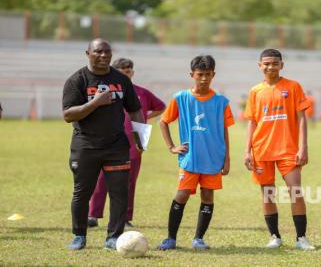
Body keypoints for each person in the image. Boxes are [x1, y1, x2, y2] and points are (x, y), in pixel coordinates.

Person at [62, 38, 144, 250]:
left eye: (107, 52)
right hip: (85, 145)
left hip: (116, 145)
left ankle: (113, 237)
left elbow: (134, 108)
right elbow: (68, 115)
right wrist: (96, 102)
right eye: (98, 52)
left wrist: (140, 135)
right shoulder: (77, 80)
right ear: (87, 53)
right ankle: (79, 235)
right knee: (82, 192)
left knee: (119, 193)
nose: (104, 55)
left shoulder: (121, 80)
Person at [157, 55, 234, 251]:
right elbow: (163, 121)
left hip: (213, 158)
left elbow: (224, 131)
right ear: (192, 74)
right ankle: (170, 239)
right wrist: (172, 147)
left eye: (208, 75)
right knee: (182, 194)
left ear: (213, 75)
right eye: (200, 74)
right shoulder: (180, 98)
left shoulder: (221, 102)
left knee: (207, 196)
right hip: (190, 158)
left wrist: (227, 159)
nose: (203, 79)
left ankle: (198, 238)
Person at [244, 48, 314, 250]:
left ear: (281, 65)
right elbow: (252, 122)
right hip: (261, 149)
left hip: (288, 149)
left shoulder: (293, 87)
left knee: (295, 191)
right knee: (267, 193)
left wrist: (303, 147)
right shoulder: (255, 91)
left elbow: (302, 118)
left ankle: (301, 239)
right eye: (266, 63)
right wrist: (247, 150)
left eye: (275, 63)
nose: (270, 67)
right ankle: (275, 237)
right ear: (260, 66)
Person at [87, 58, 166, 228]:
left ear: (133, 72)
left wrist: (144, 117)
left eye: (129, 70)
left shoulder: (142, 92)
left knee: (129, 181)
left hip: (135, 141)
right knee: (102, 178)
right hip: (109, 140)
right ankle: (93, 215)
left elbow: (161, 106)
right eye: (122, 71)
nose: (126, 73)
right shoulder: (105, 91)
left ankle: (125, 217)